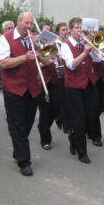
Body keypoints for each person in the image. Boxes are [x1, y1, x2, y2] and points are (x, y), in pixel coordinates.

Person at [0, 12, 43, 176]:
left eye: (31, 24)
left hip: (32, 88)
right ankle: (24, 161)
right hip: (14, 88)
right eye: (27, 23)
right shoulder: (5, 39)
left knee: (27, 123)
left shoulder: (33, 38)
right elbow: (3, 63)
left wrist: (40, 48)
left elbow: (45, 60)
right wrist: (24, 57)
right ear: (18, 22)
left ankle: (18, 151)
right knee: (18, 125)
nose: (30, 26)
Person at [60, 17, 101, 164]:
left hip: (88, 83)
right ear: (71, 30)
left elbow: (98, 60)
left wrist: (94, 48)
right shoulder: (65, 46)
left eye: (81, 28)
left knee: (91, 115)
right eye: (77, 28)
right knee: (79, 118)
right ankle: (82, 152)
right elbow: (71, 65)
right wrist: (84, 52)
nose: (79, 31)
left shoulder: (85, 43)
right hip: (73, 86)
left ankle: (73, 138)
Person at [36, 22, 61, 150]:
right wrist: (45, 62)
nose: (48, 34)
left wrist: (57, 58)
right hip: (42, 81)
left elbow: (59, 61)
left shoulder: (55, 45)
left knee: (56, 109)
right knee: (44, 110)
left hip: (55, 80)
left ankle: (42, 126)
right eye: (45, 31)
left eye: (50, 31)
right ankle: (45, 138)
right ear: (40, 33)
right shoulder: (37, 44)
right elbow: (34, 64)